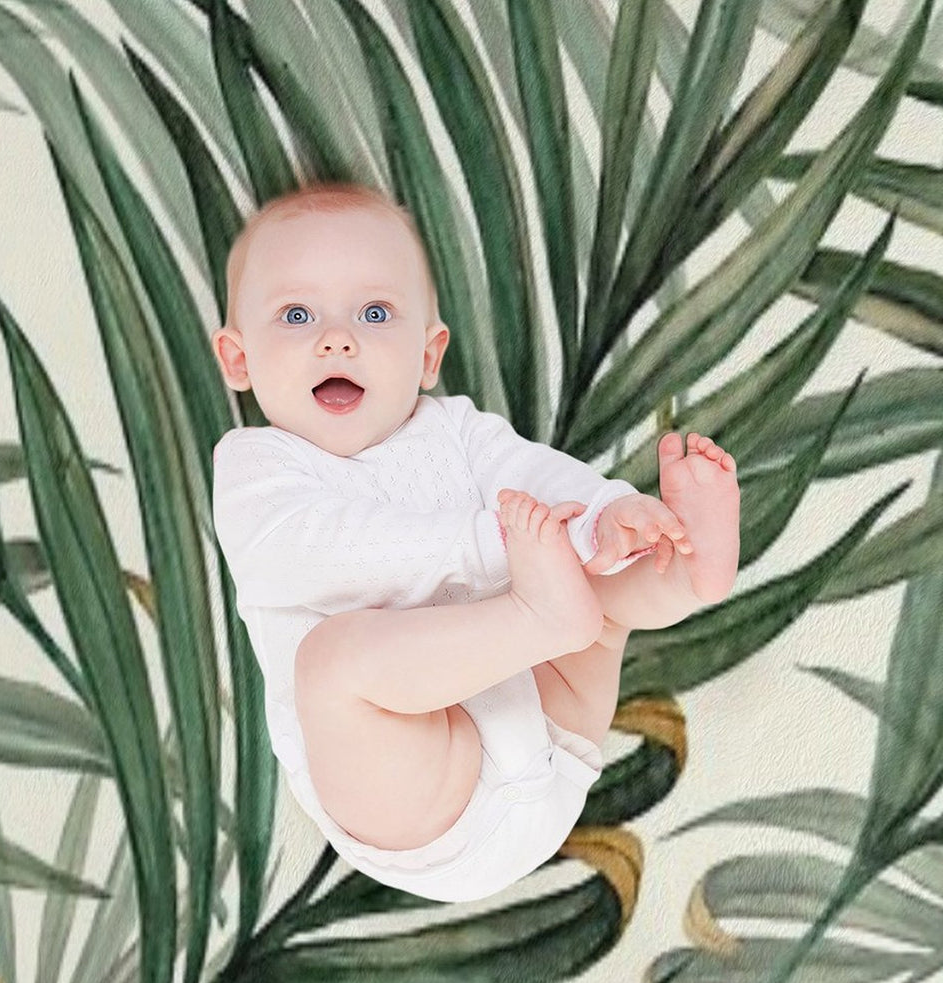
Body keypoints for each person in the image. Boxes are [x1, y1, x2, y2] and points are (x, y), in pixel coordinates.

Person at [211, 182, 740, 902]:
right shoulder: (257, 467)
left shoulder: (455, 429)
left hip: (553, 732)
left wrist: (605, 514)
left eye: (374, 313)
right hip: (424, 800)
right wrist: (491, 544)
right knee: (331, 665)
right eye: (297, 314)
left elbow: (534, 476)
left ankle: (681, 572)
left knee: (597, 590)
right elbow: (318, 554)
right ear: (238, 361)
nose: (338, 339)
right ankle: (546, 615)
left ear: (428, 356)